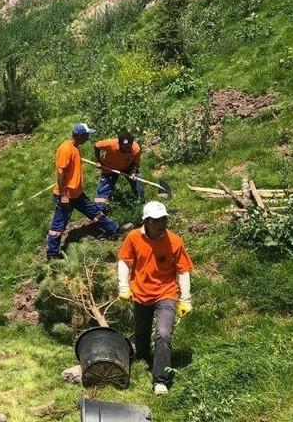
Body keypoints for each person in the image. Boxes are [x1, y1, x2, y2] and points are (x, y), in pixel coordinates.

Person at [117, 201, 193, 395]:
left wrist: (185, 299)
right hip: (141, 293)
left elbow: (183, 271)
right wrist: (124, 286)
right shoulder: (133, 238)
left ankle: (160, 380)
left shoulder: (174, 241)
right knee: (141, 331)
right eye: (157, 220)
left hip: (166, 293)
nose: (162, 224)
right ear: (147, 221)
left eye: (164, 219)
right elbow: (125, 261)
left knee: (163, 333)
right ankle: (143, 355)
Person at [46, 123, 125, 259]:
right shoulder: (66, 149)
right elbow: (60, 172)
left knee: (95, 212)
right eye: (87, 135)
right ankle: (52, 254)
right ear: (80, 135)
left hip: (77, 195)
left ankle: (115, 229)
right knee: (58, 225)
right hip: (66, 196)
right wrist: (64, 195)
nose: (88, 137)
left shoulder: (75, 148)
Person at [93, 129, 144, 210]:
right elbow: (96, 146)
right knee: (104, 188)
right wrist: (98, 161)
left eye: (129, 146)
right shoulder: (110, 144)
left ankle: (140, 205)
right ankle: (99, 211)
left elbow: (136, 163)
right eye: (125, 147)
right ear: (119, 144)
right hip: (110, 168)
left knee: (138, 178)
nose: (128, 149)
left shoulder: (136, 148)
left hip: (128, 167)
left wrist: (133, 172)